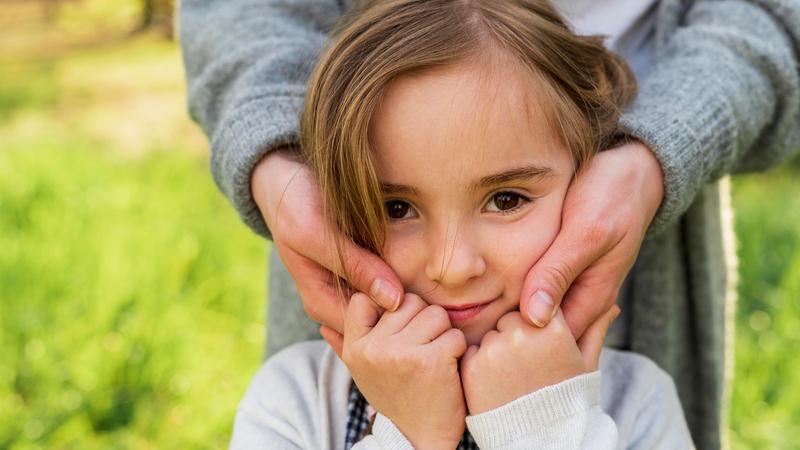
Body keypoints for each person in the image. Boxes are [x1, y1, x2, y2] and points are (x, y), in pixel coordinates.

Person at [179, 0, 800, 448]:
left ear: (588, 178)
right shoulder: (292, 401)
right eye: (396, 207)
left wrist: (538, 431)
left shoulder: (641, 403)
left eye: (506, 199)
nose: (453, 266)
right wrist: (411, 434)